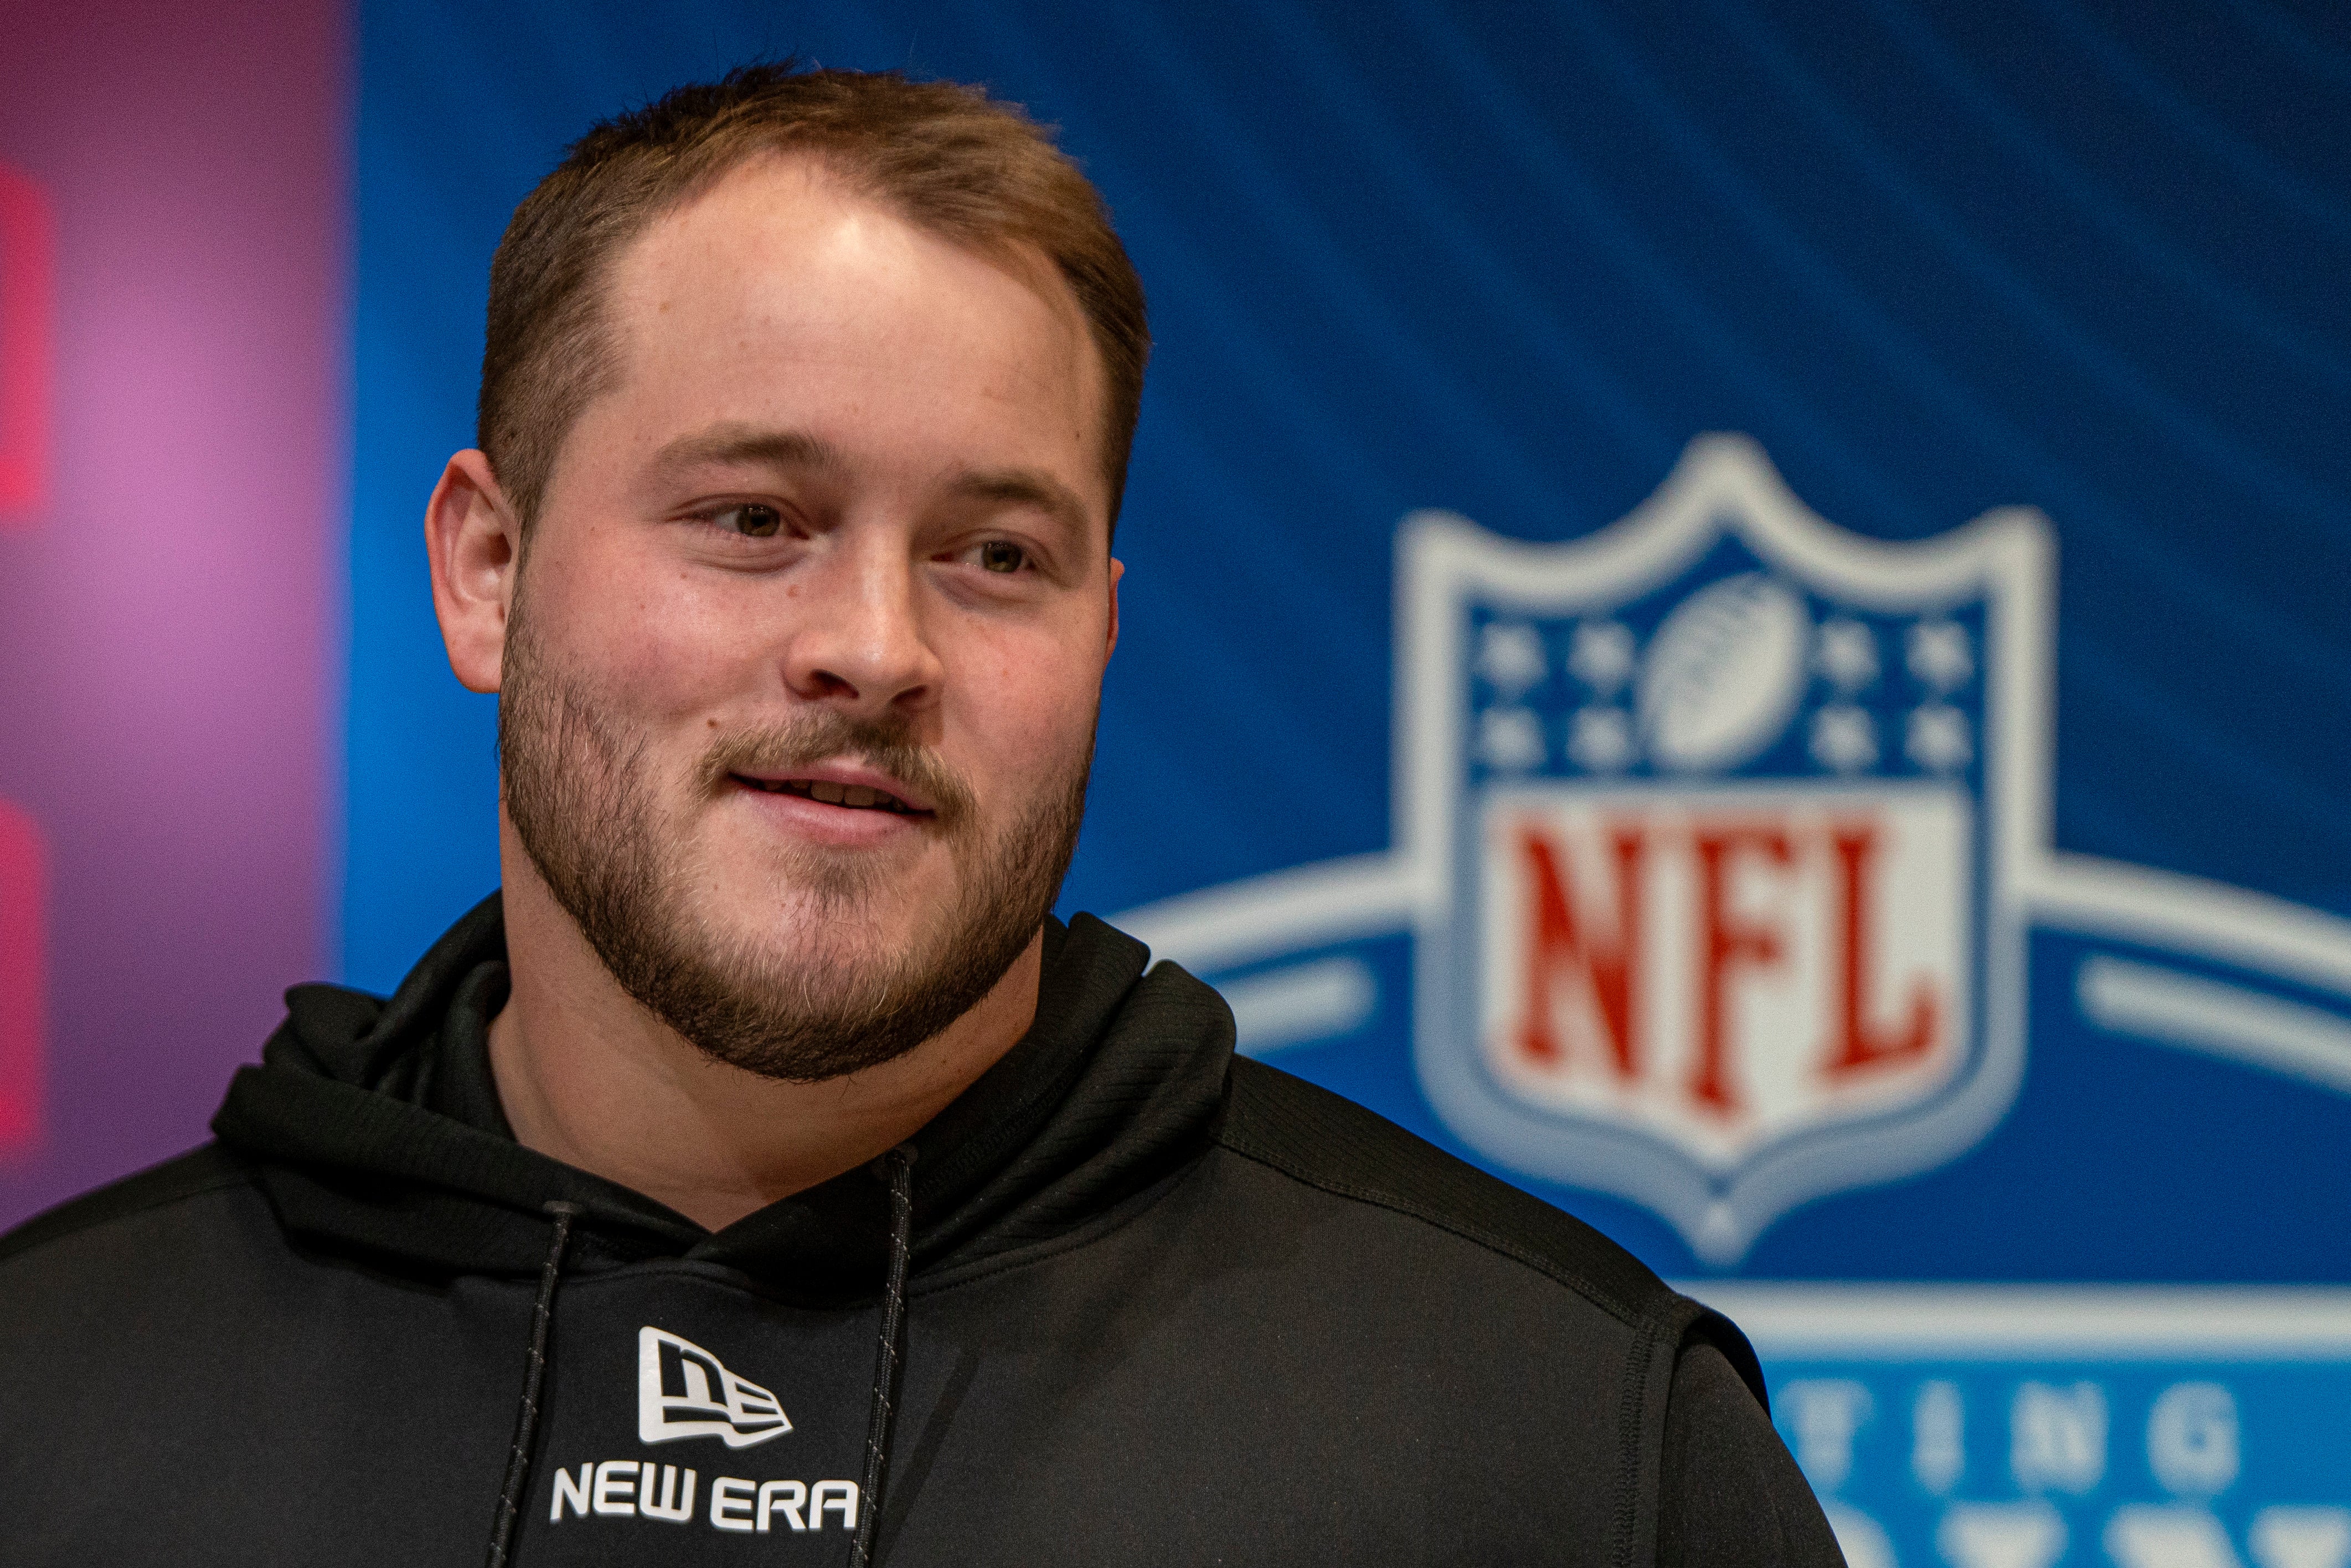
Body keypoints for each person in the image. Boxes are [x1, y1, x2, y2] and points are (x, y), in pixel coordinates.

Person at [0, 64, 1842, 1567]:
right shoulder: (48, 1400)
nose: (877, 649)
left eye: (995, 554)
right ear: (488, 570)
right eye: (753, 519)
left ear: (1104, 630)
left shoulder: (1566, 1443)